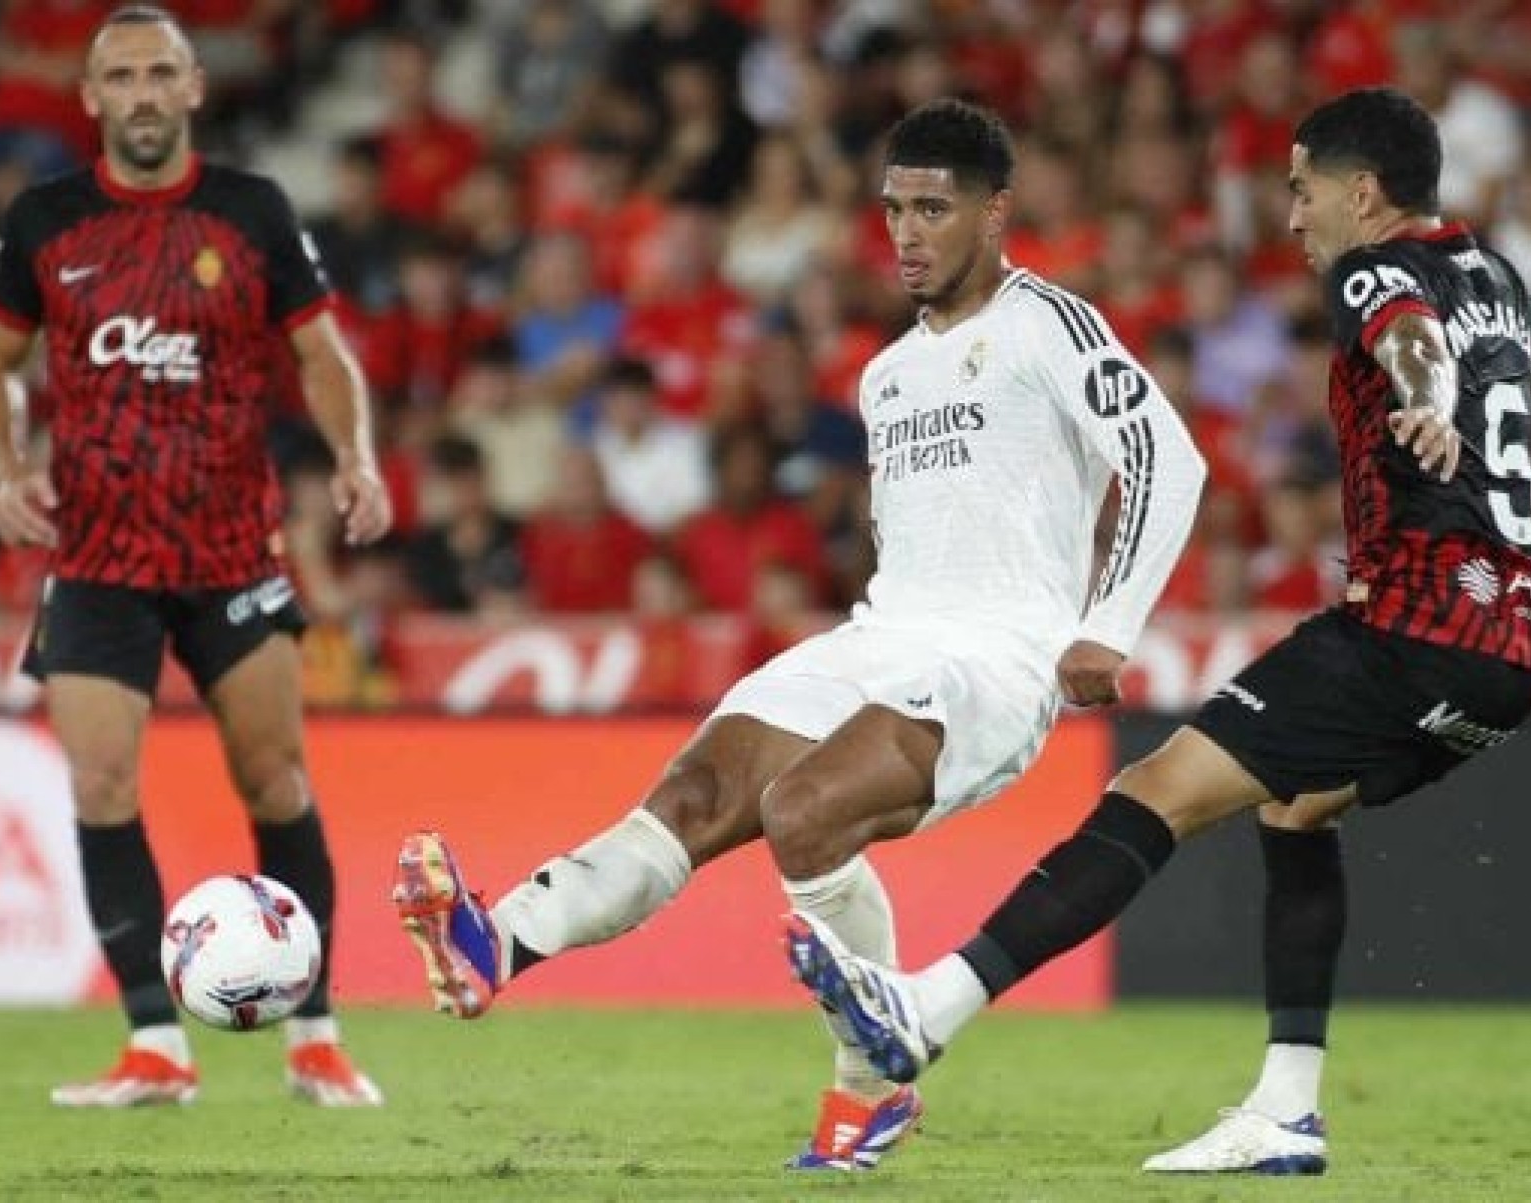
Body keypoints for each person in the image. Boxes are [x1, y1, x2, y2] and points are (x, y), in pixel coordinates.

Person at [391, 97, 1205, 1171]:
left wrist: (1108, 625)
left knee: (804, 813)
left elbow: (1166, 456)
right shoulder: (884, 374)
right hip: (885, 634)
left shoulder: (1046, 323)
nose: (907, 234)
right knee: (691, 798)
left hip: (998, 658)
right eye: (893, 210)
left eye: (933, 209)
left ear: (996, 213)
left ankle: (871, 1091)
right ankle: (500, 944)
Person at [783, 87, 1531, 1177]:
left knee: (1151, 797)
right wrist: (1469, 384)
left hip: (1411, 627)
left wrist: (1428, 399)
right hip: (1515, 647)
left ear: (1364, 192)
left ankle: (925, 1013)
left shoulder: (1372, 269)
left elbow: (1413, 339)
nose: (1292, 218)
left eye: (1301, 192)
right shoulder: (1498, 274)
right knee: (1296, 810)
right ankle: (1286, 1107)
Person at [0, 4, 391, 1108]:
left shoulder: (249, 211)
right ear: (91, 97)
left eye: (163, 72)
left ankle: (316, 1035)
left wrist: (354, 457)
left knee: (276, 778)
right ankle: (156, 1043)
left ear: (195, 87)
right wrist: (8, 469)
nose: (145, 92)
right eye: (123, 75)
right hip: (98, 556)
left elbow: (321, 350)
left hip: (229, 551)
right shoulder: (45, 220)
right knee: (102, 781)